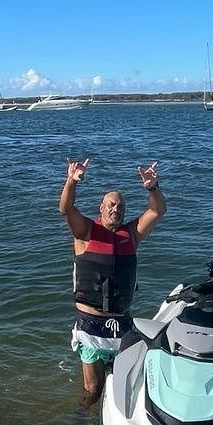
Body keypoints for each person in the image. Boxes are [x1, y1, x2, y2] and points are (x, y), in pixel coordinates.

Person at [58, 158, 166, 405]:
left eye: (120, 206)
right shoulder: (85, 232)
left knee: (124, 386)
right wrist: (71, 182)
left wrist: (152, 187)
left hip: (121, 322)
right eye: (111, 204)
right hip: (91, 324)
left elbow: (158, 210)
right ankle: (81, 424)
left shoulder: (132, 234)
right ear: (102, 207)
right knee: (93, 390)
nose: (116, 209)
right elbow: (66, 209)